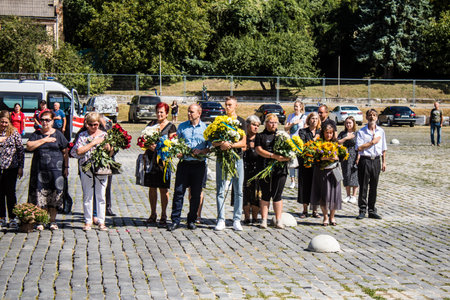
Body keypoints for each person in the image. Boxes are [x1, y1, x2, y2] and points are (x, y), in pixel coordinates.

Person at [167, 103, 209, 231]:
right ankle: (175, 220)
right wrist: (177, 152)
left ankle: (191, 220)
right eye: (188, 112)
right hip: (184, 164)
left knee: (196, 194)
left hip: (199, 165)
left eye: (192, 112)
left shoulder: (206, 129)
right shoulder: (182, 127)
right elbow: (176, 143)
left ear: (199, 113)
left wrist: (202, 151)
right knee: (179, 192)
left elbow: (210, 148)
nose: (189, 114)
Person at [27, 110, 69, 231]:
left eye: (47, 120)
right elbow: (29, 146)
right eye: (42, 120)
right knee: (40, 196)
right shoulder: (36, 134)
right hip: (40, 170)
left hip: (56, 170)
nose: (45, 122)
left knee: (54, 196)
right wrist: (44, 140)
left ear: (52, 121)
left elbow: (65, 151)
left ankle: (52, 220)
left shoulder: (58, 134)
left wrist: (66, 167)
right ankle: (42, 220)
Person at [71, 112, 113, 231]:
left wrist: (109, 147)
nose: (94, 127)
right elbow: (78, 151)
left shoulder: (104, 134)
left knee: (101, 195)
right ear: (86, 124)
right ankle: (88, 220)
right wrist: (93, 143)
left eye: (96, 124)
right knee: (87, 194)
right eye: (91, 124)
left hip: (101, 168)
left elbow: (110, 153)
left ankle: (101, 221)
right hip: (86, 167)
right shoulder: (83, 136)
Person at [213, 96, 246, 231]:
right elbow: (213, 141)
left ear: (236, 106)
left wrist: (230, 145)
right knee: (220, 189)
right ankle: (221, 219)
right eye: (226, 105)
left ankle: (236, 219)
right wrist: (222, 143)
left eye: (230, 105)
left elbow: (243, 143)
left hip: (237, 158)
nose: (227, 107)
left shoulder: (241, 121)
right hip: (222, 158)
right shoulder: (219, 121)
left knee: (238, 190)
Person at [143, 102, 177, 227]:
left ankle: (163, 214)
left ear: (167, 113)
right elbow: (142, 140)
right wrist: (148, 145)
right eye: (157, 112)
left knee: (163, 189)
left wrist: (161, 148)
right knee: (152, 188)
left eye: (162, 112)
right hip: (151, 159)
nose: (159, 114)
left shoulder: (171, 127)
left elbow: (173, 145)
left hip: (163, 161)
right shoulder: (151, 125)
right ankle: (153, 214)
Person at [255, 113, 290, 229]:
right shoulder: (260, 136)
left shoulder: (282, 135)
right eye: (271, 122)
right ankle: (264, 219)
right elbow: (259, 150)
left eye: (275, 123)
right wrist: (272, 156)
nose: (273, 125)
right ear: (266, 123)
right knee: (265, 194)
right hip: (264, 168)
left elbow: (290, 150)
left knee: (277, 195)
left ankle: (278, 220)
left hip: (280, 170)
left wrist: (286, 157)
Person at [355, 109, 387, 220]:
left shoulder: (381, 131)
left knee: (374, 186)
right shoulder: (361, 132)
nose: (372, 117)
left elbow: (383, 148)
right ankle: (362, 209)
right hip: (365, 160)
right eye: (370, 115)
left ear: (377, 117)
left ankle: (372, 210)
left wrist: (384, 162)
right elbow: (359, 147)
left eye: (374, 115)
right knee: (363, 186)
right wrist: (372, 142)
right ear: (367, 118)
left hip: (376, 160)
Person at [311, 124, 343, 226]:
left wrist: (337, 157)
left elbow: (342, 156)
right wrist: (325, 158)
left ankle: (332, 217)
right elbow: (315, 158)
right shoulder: (319, 143)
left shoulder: (336, 143)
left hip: (334, 171)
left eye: (331, 133)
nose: (329, 135)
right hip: (322, 172)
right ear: (323, 133)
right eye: (327, 133)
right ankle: (325, 216)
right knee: (323, 195)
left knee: (334, 195)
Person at [0, 111, 25, 229]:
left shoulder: (14, 132)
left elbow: (20, 150)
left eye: (6, 122)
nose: (4, 124)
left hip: (11, 167)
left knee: (10, 193)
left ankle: (12, 217)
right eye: (2, 122)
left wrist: (21, 166)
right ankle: (1, 217)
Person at [298, 112, 321, 219]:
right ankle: (305, 210)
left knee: (316, 187)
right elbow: (303, 146)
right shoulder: (303, 131)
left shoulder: (321, 132)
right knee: (305, 186)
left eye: (316, 118)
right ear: (308, 120)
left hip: (317, 164)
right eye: (312, 118)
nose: (314, 120)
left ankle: (315, 210)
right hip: (305, 163)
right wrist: (314, 140)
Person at [243, 115, 261, 225]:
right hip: (245, 168)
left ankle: (255, 217)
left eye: (257, 126)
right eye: (254, 125)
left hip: (257, 169)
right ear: (248, 125)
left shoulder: (260, 138)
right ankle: (246, 217)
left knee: (256, 194)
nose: (256, 127)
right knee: (245, 193)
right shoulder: (243, 137)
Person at [284, 99, 307, 189]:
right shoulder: (290, 116)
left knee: (299, 161)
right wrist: (293, 123)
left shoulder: (304, 117)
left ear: (301, 107)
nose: (295, 108)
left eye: (297, 106)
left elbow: (305, 128)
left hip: (300, 142)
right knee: (292, 161)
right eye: (294, 106)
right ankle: (292, 180)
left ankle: (298, 180)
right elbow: (286, 128)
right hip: (291, 141)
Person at [338, 116, 359, 204]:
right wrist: (346, 138)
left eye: (350, 123)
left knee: (354, 174)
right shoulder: (343, 133)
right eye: (346, 123)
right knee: (346, 174)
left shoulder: (357, 133)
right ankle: (347, 195)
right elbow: (338, 142)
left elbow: (360, 145)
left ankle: (354, 195)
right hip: (345, 157)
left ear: (353, 123)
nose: (348, 124)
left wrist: (358, 158)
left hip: (354, 155)